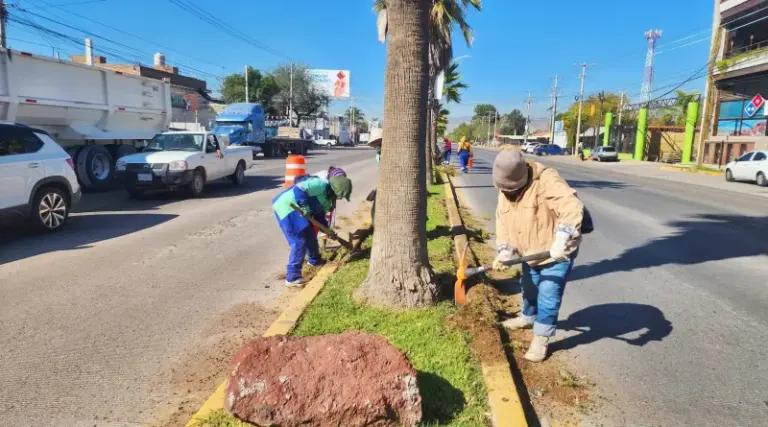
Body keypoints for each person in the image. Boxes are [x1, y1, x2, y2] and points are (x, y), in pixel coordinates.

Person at [492, 150, 584, 362]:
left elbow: (571, 207)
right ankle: (528, 317)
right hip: (529, 253)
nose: (507, 192)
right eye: (504, 188)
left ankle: (542, 337)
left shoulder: (546, 180)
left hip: (556, 254)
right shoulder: (505, 191)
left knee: (548, 295)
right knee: (529, 288)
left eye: (511, 188)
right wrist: (505, 251)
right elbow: (503, 223)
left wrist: (562, 239)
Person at [272, 174, 353, 287]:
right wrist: (304, 206)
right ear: (336, 190)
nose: (339, 198)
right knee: (299, 241)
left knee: (310, 235)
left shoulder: (327, 199)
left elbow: (320, 216)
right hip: (286, 207)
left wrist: (327, 230)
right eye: (340, 195)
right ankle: (292, 277)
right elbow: (299, 188)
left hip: (300, 210)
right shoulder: (320, 184)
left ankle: (315, 261)